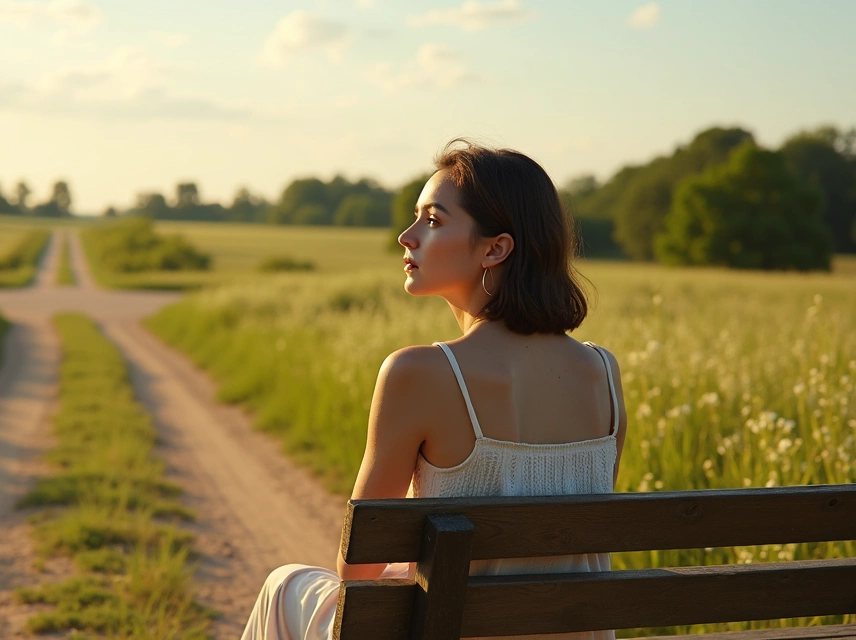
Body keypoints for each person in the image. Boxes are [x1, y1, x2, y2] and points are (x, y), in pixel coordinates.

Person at [241, 140, 628, 640]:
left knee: (284, 586)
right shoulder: (603, 371)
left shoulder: (420, 372)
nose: (407, 236)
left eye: (433, 220)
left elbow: (357, 570)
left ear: (495, 248)